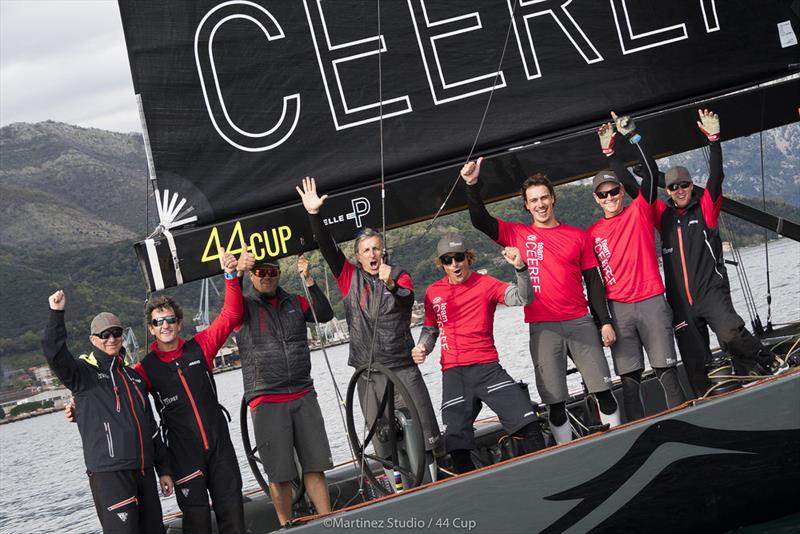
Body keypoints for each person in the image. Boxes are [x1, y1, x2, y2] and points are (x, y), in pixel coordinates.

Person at [461, 160, 620, 445]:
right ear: (526, 205)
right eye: (533, 200)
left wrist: (604, 321)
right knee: (554, 402)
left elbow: (594, 283)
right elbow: (480, 220)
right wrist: (472, 186)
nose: (540, 204)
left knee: (603, 391)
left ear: (553, 198)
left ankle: (620, 441)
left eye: (544, 197)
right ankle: (566, 452)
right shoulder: (517, 234)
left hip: (580, 322)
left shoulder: (578, 236)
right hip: (543, 327)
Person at [296, 177, 442, 469]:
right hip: (367, 373)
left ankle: (435, 474)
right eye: (367, 251)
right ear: (358, 257)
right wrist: (314, 215)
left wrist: (389, 283)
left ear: (383, 251)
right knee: (383, 443)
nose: (373, 255)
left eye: (377, 249)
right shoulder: (349, 277)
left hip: (402, 366)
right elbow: (327, 247)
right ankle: (398, 486)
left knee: (427, 436)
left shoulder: (398, 274)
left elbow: (404, 298)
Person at [638, 109, 783, 396]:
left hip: (711, 292)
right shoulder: (661, 216)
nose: (679, 190)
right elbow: (638, 187)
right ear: (666, 190)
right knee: (694, 361)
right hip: (680, 302)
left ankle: (770, 362)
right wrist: (623, 147)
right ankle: (707, 403)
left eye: (684, 185)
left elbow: (716, 177)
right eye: (673, 186)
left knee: (731, 334)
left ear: (692, 187)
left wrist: (714, 141)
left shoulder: (705, 208)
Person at [134, 249, 246, 533]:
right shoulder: (145, 369)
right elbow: (118, 390)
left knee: (232, 512)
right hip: (184, 455)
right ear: (151, 329)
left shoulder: (201, 346)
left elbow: (231, 314)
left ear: (179, 323)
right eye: (159, 322)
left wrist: (230, 276)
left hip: (219, 445)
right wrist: (78, 402)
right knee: (196, 524)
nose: (166, 325)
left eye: (170, 319)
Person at [43, 291, 173, 534]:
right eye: (104, 335)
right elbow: (55, 354)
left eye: (116, 333)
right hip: (110, 475)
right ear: (93, 340)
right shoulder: (82, 375)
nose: (111, 339)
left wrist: (163, 469)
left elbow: (151, 428)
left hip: (144, 472)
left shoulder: (134, 378)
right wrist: (56, 314)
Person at [412, 235, 544, 474]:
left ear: (468, 258)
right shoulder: (433, 292)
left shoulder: (486, 284)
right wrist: (422, 347)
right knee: (456, 443)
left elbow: (524, 297)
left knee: (529, 424)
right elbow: (430, 330)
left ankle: (542, 475)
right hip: (454, 373)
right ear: (441, 263)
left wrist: (521, 269)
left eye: (459, 258)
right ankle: (475, 495)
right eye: (448, 260)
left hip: (487, 368)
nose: (454, 264)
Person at [588, 113, 687, 421]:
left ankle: (686, 423)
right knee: (629, 383)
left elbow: (653, 172)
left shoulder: (639, 211)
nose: (610, 198)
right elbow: (593, 283)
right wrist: (600, 320)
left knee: (666, 372)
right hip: (618, 310)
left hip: (651, 302)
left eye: (614, 191)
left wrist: (631, 137)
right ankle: (641, 438)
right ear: (596, 198)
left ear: (621, 192)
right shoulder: (591, 234)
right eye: (603, 194)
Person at [236, 253, 335, 526]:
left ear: (279, 273)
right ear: (253, 276)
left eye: (272, 272)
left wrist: (309, 279)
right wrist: (238, 273)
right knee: (279, 473)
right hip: (267, 398)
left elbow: (325, 314)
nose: (267, 277)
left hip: (303, 392)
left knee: (315, 464)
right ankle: (285, 525)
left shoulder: (294, 300)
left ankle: (327, 521)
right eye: (260, 273)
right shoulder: (243, 306)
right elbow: (231, 307)